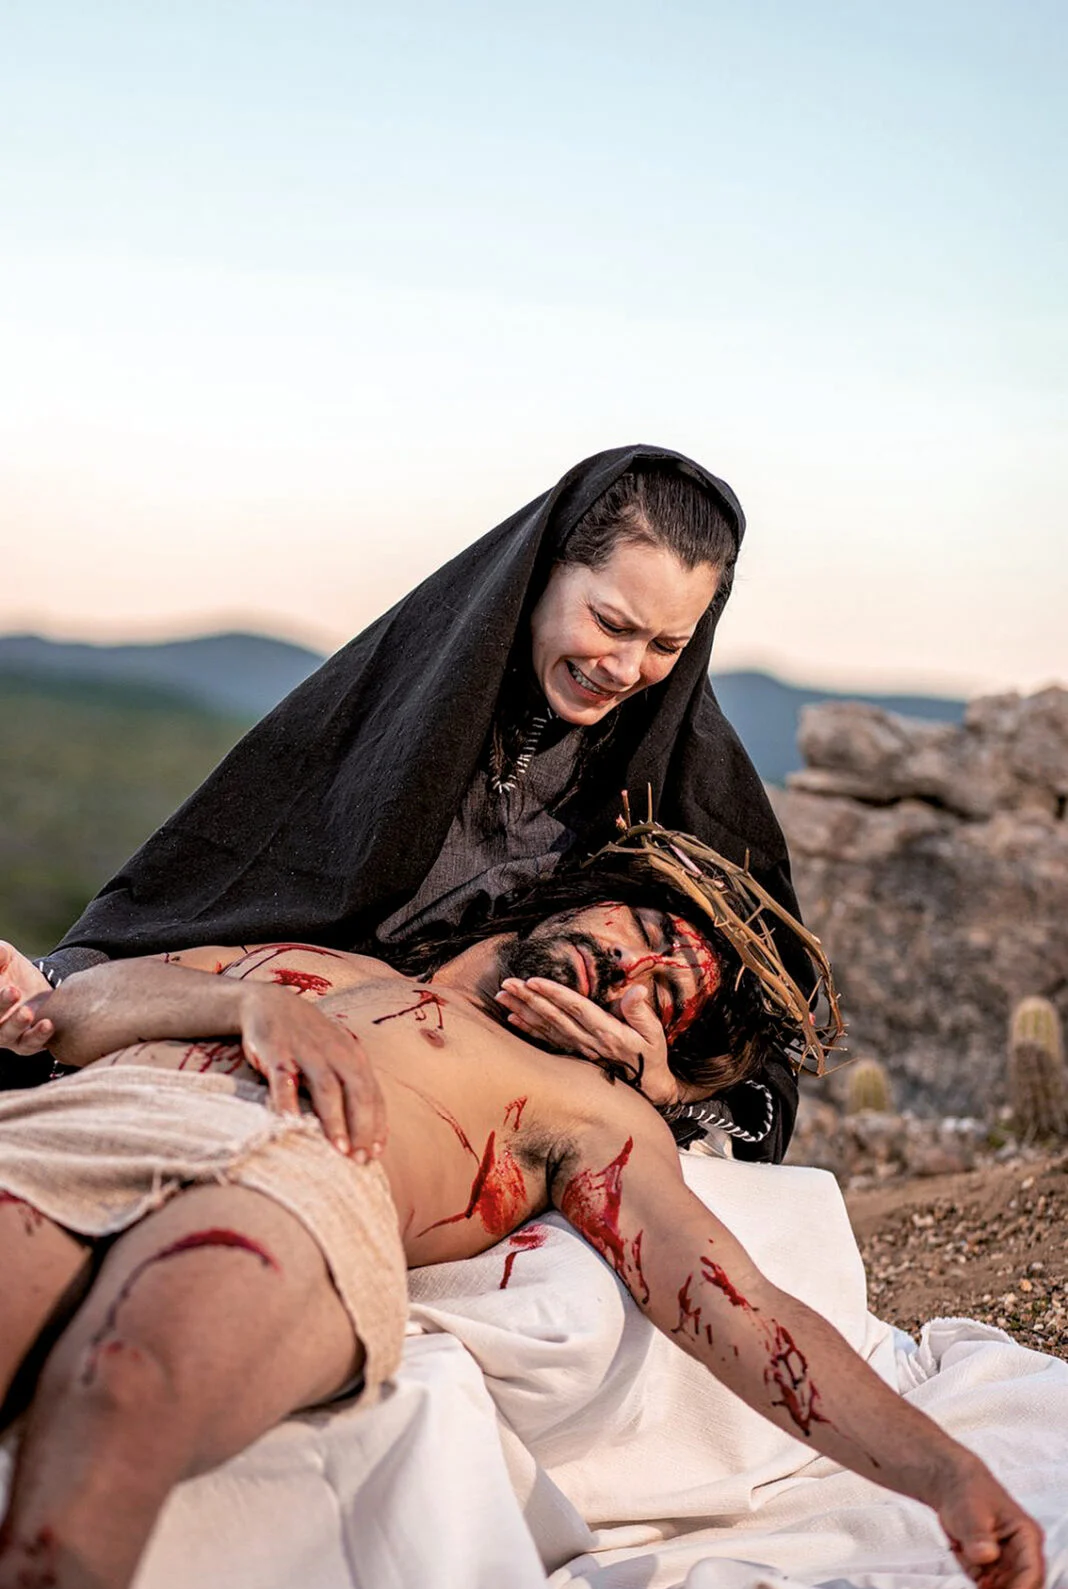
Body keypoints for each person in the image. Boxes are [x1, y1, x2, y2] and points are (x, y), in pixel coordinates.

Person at [0, 831, 1043, 1589]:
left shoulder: (589, 1113)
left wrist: (943, 1472)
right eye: (634, 938)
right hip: (95, 1128)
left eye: (662, 993)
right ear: (574, 899)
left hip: (300, 1192)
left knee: (129, 1380)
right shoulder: (326, 968)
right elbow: (71, 1009)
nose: (627, 975)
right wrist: (247, 1005)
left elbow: (744, 1308)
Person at [1, 446, 808, 1159]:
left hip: (486, 1131)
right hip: (269, 1060)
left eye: (668, 645)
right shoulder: (384, 709)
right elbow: (205, 909)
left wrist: (669, 1093)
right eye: (610, 622)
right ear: (545, 568)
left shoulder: (692, 792)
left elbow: (764, 1088)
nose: (626, 668)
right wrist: (48, 984)